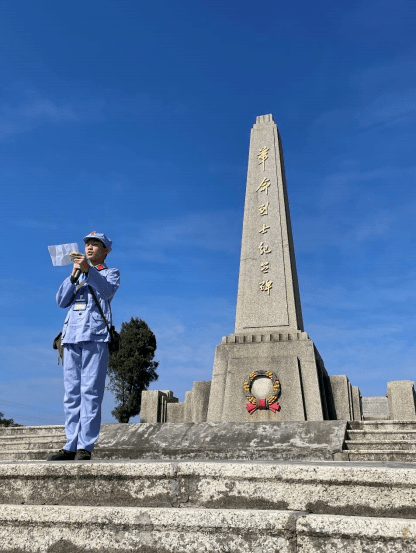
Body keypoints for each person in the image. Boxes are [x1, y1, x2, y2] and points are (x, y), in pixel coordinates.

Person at [48, 232, 120, 461]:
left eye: (95, 245)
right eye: (87, 244)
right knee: (71, 394)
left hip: (96, 337)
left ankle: (85, 446)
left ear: (105, 250)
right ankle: (70, 444)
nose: (89, 248)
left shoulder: (110, 273)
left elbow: (107, 291)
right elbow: (61, 301)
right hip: (70, 338)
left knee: (90, 392)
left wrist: (88, 271)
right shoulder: (77, 274)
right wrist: (73, 275)